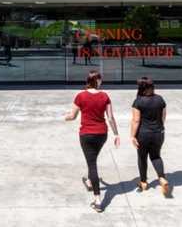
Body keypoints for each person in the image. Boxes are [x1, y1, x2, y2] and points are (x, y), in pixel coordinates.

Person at [64, 71, 120, 213]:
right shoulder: (104, 96)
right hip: (102, 134)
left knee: (92, 164)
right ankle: (90, 181)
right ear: (98, 81)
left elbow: (73, 116)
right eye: (101, 79)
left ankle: (98, 200)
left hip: (87, 135)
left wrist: (65, 117)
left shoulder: (80, 96)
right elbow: (111, 117)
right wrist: (116, 134)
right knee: (93, 160)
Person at [131, 77, 171, 197]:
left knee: (142, 158)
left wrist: (132, 136)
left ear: (141, 88)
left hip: (143, 134)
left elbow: (136, 120)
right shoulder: (160, 99)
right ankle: (162, 178)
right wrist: (159, 127)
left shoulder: (138, 101)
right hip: (158, 133)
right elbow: (163, 117)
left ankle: (143, 182)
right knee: (156, 156)